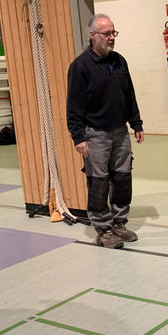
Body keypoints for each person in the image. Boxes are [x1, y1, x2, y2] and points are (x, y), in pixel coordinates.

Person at [67, 13, 145, 249]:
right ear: (92, 35)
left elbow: (129, 95)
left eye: (113, 33)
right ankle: (103, 229)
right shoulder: (80, 66)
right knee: (98, 181)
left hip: (120, 131)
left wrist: (136, 123)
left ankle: (119, 222)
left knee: (122, 177)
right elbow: (73, 105)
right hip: (95, 133)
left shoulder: (119, 61)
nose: (112, 37)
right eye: (106, 34)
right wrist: (78, 137)